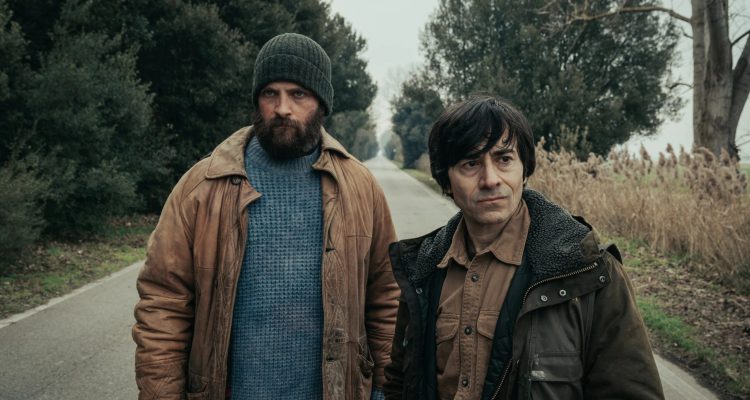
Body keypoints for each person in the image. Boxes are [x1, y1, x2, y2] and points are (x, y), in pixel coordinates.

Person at [133, 33, 398, 400]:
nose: (282, 108)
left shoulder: (360, 188)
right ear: (257, 101)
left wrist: (386, 389)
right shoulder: (202, 186)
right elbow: (163, 302)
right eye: (270, 93)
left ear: (321, 103)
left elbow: (386, 298)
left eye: (298, 94)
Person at [383, 95, 664, 400]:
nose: (490, 179)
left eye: (504, 159)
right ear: (446, 181)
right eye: (471, 163)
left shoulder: (588, 269)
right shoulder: (422, 270)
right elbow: (400, 381)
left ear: (524, 169)